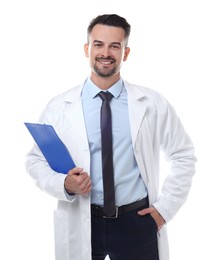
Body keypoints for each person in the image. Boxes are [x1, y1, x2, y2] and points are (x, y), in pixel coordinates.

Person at [25, 14, 196, 260]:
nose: (106, 53)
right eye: (99, 44)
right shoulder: (59, 107)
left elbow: (183, 155)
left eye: (115, 46)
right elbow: (34, 160)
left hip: (136, 222)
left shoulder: (152, 103)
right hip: (82, 220)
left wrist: (163, 210)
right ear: (87, 49)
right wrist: (64, 184)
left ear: (125, 53)